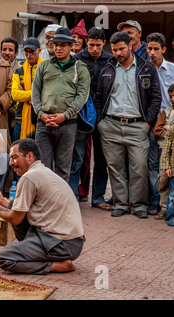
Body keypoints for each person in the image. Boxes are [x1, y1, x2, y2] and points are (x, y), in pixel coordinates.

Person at [0, 138, 85, 274]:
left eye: (14, 158)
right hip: (71, 242)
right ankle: (34, 251)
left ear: (29, 156)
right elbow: (17, 210)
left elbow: (15, 219)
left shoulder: (29, 178)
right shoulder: (41, 171)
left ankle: (56, 265)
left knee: (4, 258)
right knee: (13, 204)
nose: (11, 163)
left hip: (62, 245)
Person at [95, 31, 161, 219]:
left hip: (137, 125)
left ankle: (139, 204)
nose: (118, 53)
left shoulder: (146, 68)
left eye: (121, 48)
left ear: (131, 46)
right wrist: (101, 122)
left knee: (139, 167)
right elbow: (99, 97)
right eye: (114, 50)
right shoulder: (107, 69)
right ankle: (121, 203)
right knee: (115, 168)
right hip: (111, 124)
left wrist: (147, 122)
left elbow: (156, 97)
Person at [31, 27, 90, 182]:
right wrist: (41, 114)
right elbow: (35, 93)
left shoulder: (81, 68)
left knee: (63, 168)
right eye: (55, 44)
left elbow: (82, 96)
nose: (58, 48)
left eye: (62, 45)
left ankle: (59, 203)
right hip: (43, 123)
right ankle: (44, 202)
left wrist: (65, 115)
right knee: (42, 167)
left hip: (67, 124)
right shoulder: (43, 66)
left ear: (71, 46)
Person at [71, 27, 113, 210]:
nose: (94, 49)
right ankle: (72, 195)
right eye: (91, 45)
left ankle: (98, 197)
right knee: (77, 157)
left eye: (98, 45)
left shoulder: (111, 61)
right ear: (86, 42)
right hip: (82, 116)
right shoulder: (77, 59)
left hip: (104, 115)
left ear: (104, 43)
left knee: (102, 160)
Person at [146, 32, 174, 216]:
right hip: (153, 123)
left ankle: (171, 205)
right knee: (153, 163)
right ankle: (156, 199)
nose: (152, 52)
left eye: (156, 49)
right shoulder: (144, 69)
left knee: (172, 165)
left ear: (163, 49)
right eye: (149, 48)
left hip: (172, 124)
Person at [11, 37, 43, 141]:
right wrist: (36, 94)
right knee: (19, 150)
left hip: (40, 117)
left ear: (39, 50)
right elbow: (15, 95)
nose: (29, 55)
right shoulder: (19, 71)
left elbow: (47, 93)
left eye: (32, 51)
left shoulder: (46, 69)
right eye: (26, 52)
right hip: (21, 117)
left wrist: (25, 94)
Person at [155, 83, 174, 219]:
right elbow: (157, 130)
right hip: (165, 150)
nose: (173, 99)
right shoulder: (167, 112)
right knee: (163, 179)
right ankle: (164, 208)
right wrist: (168, 130)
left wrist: (168, 128)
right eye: (171, 97)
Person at [159, 100, 174, 227]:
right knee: (173, 195)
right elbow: (165, 150)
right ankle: (172, 216)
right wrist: (166, 166)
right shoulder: (172, 129)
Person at [0, 36, 21, 142]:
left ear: (16, 53)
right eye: (4, 49)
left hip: (13, 118)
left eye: (10, 50)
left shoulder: (21, 71)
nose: (7, 53)